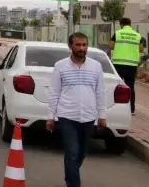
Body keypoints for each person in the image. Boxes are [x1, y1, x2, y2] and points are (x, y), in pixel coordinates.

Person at [47, 32, 106, 187]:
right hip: (67, 116)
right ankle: (73, 184)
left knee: (81, 154)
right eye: (78, 45)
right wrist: (51, 116)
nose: (81, 48)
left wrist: (102, 115)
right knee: (72, 153)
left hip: (88, 117)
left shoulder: (96, 66)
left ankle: (71, 176)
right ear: (70, 46)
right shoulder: (60, 66)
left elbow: (100, 92)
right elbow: (54, 92)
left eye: (84, 45)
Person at [109, 17, 144, 115]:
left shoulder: (118, 33)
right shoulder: (137, 35)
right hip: (132, 65)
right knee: (130, 87)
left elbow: (111, 46)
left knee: (116, 86)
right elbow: (141, 49)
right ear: (130, 24)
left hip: (118, 64)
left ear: (121, 24)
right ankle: (131, 109)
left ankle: (114, 107)